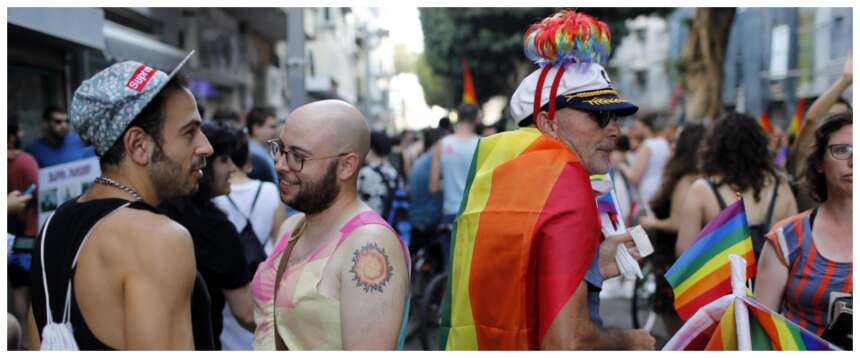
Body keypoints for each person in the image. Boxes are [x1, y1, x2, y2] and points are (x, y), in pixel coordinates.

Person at [440, 10, 655, 350]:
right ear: (548, 123)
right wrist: (630, 342)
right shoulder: (565, 185)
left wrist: (595, 262)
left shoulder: (506, 170)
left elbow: (520, 289)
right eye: (599, 116)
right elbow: (568, 344)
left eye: (615, 116)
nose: (614, 129)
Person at [28, 58, 214, 349]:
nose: (206, 146)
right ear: (138, 146)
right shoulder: (158, 238)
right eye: (189, 132)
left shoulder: (53, 226)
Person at [251, 100, 410, 350]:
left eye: (297, 156)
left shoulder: (370, 245)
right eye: (279, 149)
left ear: (346, 166)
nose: (280, 165)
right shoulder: (291, 227)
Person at [755, 113, 852, 340]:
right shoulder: (786, 238)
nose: (852, 161)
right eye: (841, 150)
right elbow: (759, 332)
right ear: (819, 163)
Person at [160, 122, 256, 350]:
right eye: (224, 160)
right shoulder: (216, 228)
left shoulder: (159, 209)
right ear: (201, 165)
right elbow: (247, 313)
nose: (233, 168)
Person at [676, 112, 798, 260]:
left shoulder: (702, 190)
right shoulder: (780, 186)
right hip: (774, 281)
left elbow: (684, 257)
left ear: (715, 148)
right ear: (759, 145)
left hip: (724, 281)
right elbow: (795, 245)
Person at [212, 130, 286, 350]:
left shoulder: (213, 199)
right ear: (247, 158)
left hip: (225, 293)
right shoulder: (270, 191)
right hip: (264, 285)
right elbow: (281, 244)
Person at [636, 123, 706, 335]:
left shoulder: (686, 180)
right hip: (689, 261)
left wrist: (650, 222)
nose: (671, 144)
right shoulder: (701, 178)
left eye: (676, 140)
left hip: (673, 261)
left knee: (678, 333)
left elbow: (677, 223)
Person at [788, 51, 852, 212]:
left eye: (841, 119)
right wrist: (845, 81)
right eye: (829, 119)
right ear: (818, 164)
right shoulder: (805, 164)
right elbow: (811, 121)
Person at [7, 114, 39, 342]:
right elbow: (37, 194)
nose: (22, 135)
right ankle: (31, 342)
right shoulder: (26, 161)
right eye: (19, 130)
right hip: (28, 234)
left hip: (12, 239)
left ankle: (25, 343)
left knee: (19, 289)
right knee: (34, 293)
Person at [616, 112, 671, 206]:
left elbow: (634, 177)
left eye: (637, 127)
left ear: (646, 128)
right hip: (661, 191)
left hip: (647, 195)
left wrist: (621, 165)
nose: (634, 130)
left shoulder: (647, 145)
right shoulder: (663, 142)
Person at [408, 127, 444, 257]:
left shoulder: (420, 160)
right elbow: (434, 187)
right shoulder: (434, 161)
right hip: (430, 217)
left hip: (416, 216)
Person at [24, 106, 96, 168]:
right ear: (45, 124)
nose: (64, 125)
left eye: (67, 121)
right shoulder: (33, 150)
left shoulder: (81, 141)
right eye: (58, 121)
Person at [357, 131, 403, 218]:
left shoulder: (364, 174)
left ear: (370, 149)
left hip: (368, 225)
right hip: (389, 226)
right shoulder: (393, 172)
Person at [244, 107, 279, 184]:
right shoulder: (252, 155)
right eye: (272, 127)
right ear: (256, 128)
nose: (276, 131)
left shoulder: (262, 151)